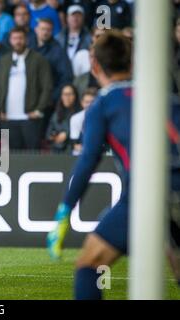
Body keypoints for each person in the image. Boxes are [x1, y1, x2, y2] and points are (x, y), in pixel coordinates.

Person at [45, 31, 180, 299]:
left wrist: (65, 211)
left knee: (89, 265)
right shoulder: (166, 98)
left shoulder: (102, 105)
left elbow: (87, 161)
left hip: (146, 195)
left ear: (94, 66)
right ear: (132, 63)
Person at [0, 26, 53, 150]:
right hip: (7, 117)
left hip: (30, 117)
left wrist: (39, 110)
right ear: (10, 40)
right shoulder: (4, 60)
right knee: (11, 157)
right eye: (14, 38)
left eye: (20, 38)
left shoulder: (39, 59)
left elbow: (47, 86)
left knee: (32, 156)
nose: (18, 41)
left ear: (26, 40)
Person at [45, 84, 79, 152]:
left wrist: (66, 134)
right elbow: (48, 134)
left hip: (73, 148)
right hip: (57, 149)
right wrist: (54, 136)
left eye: (70, 94)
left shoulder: (80, 113)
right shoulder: (56, 114)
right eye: (64, 94)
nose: (67, 97)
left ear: (75, 96)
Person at [70, 88, 97, 155]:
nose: (89, 105)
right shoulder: (75, 118)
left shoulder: (105, 117)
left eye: (92, 102)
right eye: (87, 102)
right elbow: (75, 144)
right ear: (82, 103)